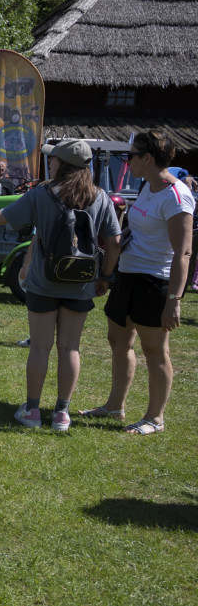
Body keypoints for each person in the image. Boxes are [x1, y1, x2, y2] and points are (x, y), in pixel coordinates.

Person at [0, 138, 121, 432]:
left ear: (62, 164)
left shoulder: (42, 193)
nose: (49, 162)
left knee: (40, 347)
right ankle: (62, 414)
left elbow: (3, 217)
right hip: (81, 283)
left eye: (52, 159)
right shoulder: (100, 197)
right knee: (70, 349)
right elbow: (114, 241)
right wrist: (105, 277)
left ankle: (33, 410)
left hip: (43, 282)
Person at [80, 130, 194, 434]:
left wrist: (174, 300)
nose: (126, 161)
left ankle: (155, 418)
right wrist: (109, 272)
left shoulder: (177, 196)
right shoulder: (147, 185)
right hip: (128, 276)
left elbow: (184, 252)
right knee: (119, 341)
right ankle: (114, 406)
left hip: (154, 281)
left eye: (130, 156)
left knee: (155, 351)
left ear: (147, 158)